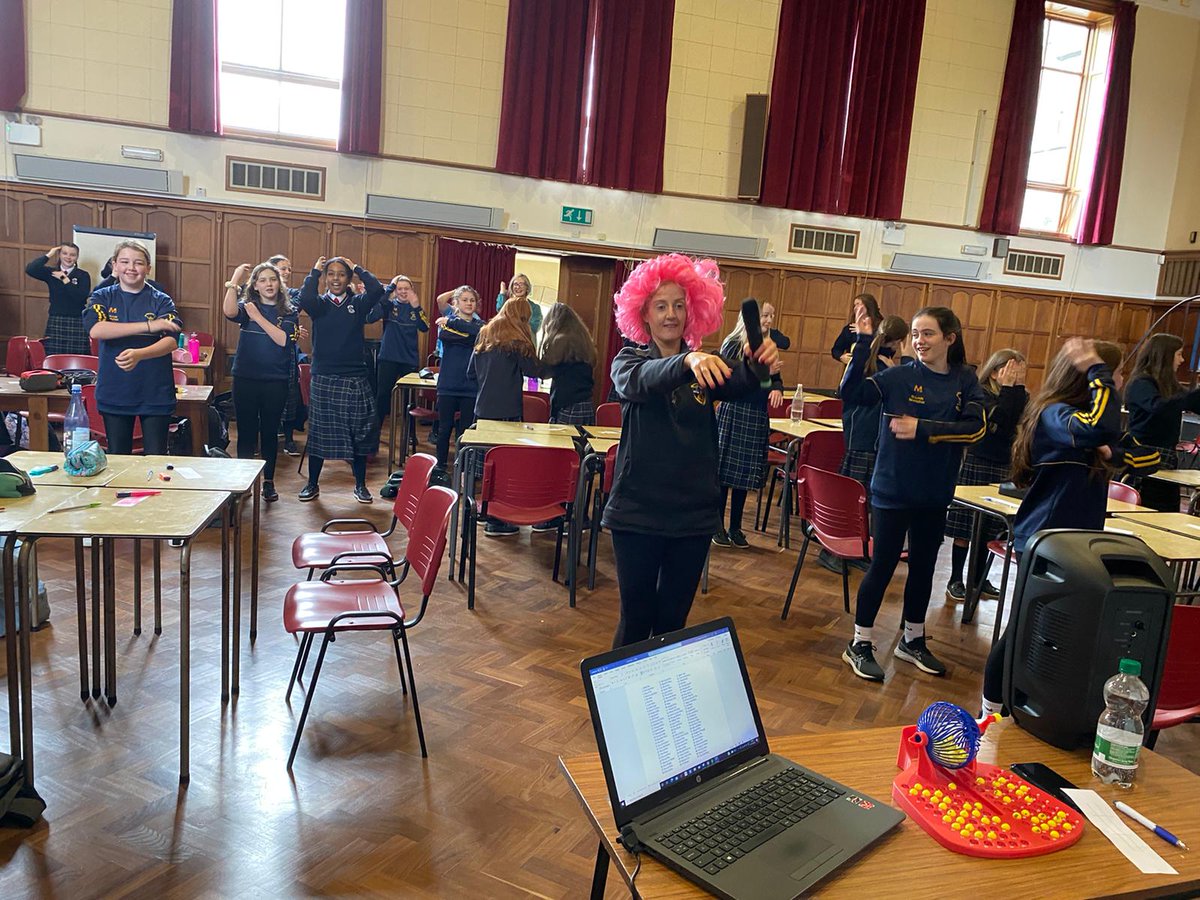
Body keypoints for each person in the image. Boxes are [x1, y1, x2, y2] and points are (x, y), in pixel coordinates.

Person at [603, 254, 779, 648]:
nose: (671, 314)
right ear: (643, 314)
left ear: (692, 311)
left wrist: (758, 366)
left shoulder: (707, 368)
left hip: (693, 517)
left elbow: (749, 385)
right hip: (637, 514)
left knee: (671, 623)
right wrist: (687, 360)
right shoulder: (628, 360)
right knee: (635, 622)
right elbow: (640, 382)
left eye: (679, 305)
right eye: (661, 306)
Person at [838, 306, 986, 682]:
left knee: (922, 569)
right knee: (883, 565)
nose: (920, 341)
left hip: (934, 494)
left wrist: (922, 428)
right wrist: (861, 342)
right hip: (892, 489)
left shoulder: (966, 381)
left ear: (950, 338)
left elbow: (974, 430)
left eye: (929, 333)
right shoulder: (898, 376)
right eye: (916, 334)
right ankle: (860, 642)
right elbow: (851, 393)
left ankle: (912, 640)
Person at [979, 339, 1123, 717]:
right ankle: (990, 713)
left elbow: (1124, 446)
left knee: (1058, 632)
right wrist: (1098, 369)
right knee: (1022, 629)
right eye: (1111, 373)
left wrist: (1115, 450)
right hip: (1046, 540)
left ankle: (1030, 708)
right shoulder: (1054, 413)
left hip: (1077, 543)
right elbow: (1096, 430)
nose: (1117, 380)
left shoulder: (1074, 417)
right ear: (1086, 377)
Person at [297, 256, 385, 504]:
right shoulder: (319, 305)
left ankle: (360, 485)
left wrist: (357, 268)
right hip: (324, 376)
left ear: (348, 279)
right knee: (319, 433)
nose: (336, 278)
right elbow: (304, 298)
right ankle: (312, 484)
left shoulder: (357, 304)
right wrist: (314, 272)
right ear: (325, 278)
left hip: (355, 377)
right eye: (331, 274)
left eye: (342, 274)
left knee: (359, 433)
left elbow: (377, 290)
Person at [943, 349, 1028, 602]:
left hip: (1003, 464)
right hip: (979, 462)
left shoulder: (1017, 393)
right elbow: (1000, 420)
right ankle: (956, 579)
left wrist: (1015, 388)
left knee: (989, 529)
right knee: (966, 528)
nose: (1017, 375)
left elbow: (1018, 418)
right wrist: (1011, 388)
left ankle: (978, 579)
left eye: (1021, 371)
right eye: (1012, 370)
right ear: (994, 371)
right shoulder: (981, 393)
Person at [83, 240, 182, 454]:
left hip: (155, 391)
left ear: (148, 268)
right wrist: (149, 326)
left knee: (155, 460)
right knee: (119, 459)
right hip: (115, 390)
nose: (131, 268)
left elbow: (171, 340)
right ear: (115, 265)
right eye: (125, 262)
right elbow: (97, 330)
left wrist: (140, 354)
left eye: (138, 263)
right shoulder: (102, 295)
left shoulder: (162, 300)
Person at [223, 261, 299, 503]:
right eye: (263, 280)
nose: (269, 284)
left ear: (280, 284)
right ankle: (244, 482)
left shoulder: (289, 311)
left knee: (269, 432)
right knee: (245, 431)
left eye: (273, 279)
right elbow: (229, 312)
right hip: (245, 377)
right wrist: (235, 279)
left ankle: (268, 481)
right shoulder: (247, 307)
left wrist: (258, 317)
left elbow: (283, 340)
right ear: (255, 285)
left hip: (275, 380)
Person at [712, 298, 785, 550]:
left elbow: (773, 381)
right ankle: (717, 525)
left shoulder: (769, 347)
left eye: (771, 316)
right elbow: (727, 376)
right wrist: (756, 372)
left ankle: (736, 526)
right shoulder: (733, 344)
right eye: (764, 316)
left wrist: (775, 387)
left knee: (743, 476)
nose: (768, 321)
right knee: (724, 474)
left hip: (756, 414)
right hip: (735, 411)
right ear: (751, 320)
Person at [1123, 333, 1200, 512]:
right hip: (1144, 458)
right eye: (1179, 354)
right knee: (1147, 508)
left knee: (1168, 509)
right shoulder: (1141, 382)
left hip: (1166, 458)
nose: (1181, 360)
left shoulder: (1169, 385)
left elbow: (1191, 402)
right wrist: (1192, 396)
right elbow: (1158, 407)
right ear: (1165, 356)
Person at [433, 286, 484, 478]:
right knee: (444, 428)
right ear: (456, 303)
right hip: (448, 384)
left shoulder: (481, 325)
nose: (469, 303)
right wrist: (469, 335)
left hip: (471, 385)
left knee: (465, 430)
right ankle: (440, 467)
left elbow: (480, 334)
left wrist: (463, 330)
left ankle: (462, 466)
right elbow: (446, 335)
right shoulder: (448, 324)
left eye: (472, 300)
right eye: (464, 300)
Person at [369, 275, 428, 428]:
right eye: (399, 289)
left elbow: (425, 327)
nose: (403, 292)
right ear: (395, 291)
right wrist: (389, 289)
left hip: (409, 359)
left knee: (409, 400)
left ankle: (410, 435)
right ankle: (375, 433)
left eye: (406, 289)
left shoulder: (416, 308)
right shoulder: (388, 305)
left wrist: (417, 307)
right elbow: (374, 312)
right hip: (388, 357)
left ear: (412, 291)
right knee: (382, 396)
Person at [268, 253, 308, 457]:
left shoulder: (292, 294)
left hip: (287, 352)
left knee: (290, 394)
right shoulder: (261, 293)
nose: (287, 272)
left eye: (288, 269)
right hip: (265, 353)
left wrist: (292, 330)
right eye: (283, 268)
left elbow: (296, 308)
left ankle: (289, 438)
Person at [25, 242, 92, 355]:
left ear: (77, 257)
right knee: (53, 357)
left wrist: (65, 279)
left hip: (77, 320)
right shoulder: (52, 272)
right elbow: (31, 269)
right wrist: (49, 255)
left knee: (78, 358)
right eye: (65, 253)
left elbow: (81, 296)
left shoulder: (83, 275)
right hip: (56, 318)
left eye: (72, 255)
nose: (68, 257)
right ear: (59, 255)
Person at [539, 301, 597, 425]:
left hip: (568, 404)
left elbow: (544, 372)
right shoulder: (583, 340)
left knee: (563, 443)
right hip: (586, 403)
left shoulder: (560, 340)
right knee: (581, 443)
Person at [831, 293, 882, 364]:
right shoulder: (850, 328)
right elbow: (836, 349)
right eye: (855, 305)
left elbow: (887, 349)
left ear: (868, 306)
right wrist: (841, 356)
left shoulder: (882, 326)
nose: (855, 308)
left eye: (858, 304)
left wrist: (866, 333)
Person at [496, 274, 542, 339]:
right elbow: (500, 310)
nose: (518, 287)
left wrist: (512, 322)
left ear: (527, 288)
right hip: (507, 342)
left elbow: (534, 327)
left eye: (521, 284)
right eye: (515, 284)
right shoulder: (508, 304)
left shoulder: (535, 307)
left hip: (526, 343)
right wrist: (502, 293)